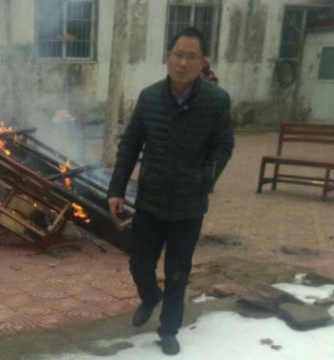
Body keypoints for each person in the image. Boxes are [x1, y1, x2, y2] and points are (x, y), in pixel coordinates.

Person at [107, 27, 234, 355]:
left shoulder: (216, 101)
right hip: (151, 200)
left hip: (189, 206)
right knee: (139, 263)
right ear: (168, 58)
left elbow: (224, 146)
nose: (183, 63)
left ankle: (168, 329)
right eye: (178, 55)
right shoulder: (149, 98)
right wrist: (116, 189)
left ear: (202, 62)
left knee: (178, 272)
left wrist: (204, 180)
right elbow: (130, 145)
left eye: (191, 57)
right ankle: (150, 297)